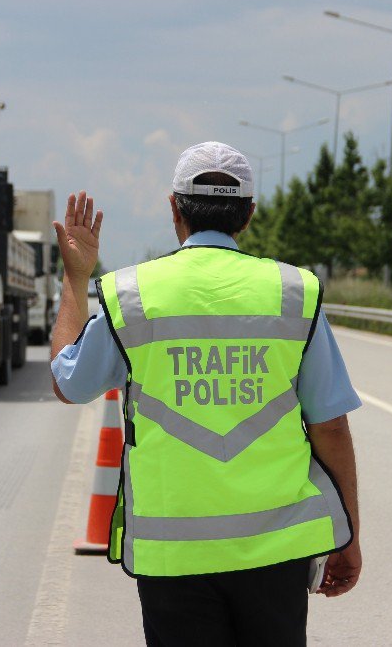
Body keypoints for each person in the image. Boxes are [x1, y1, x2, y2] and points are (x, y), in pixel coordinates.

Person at [49, 142, 362, 646]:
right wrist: (346, 533)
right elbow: (330, 425)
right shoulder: (293, 293)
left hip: (173, 556)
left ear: (174, 207)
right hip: (275, 553)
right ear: (249, 214)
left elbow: (69, 383)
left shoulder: (131, 296)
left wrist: (75, 277)